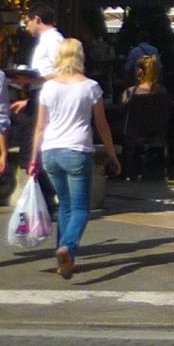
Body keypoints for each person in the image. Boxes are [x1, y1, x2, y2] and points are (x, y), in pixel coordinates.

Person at [27, 38, 120, 279]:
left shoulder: (48, 87)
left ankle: (65, 263)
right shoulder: (90, 87)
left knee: (65, 205)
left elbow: (40, 126)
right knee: (80, 207)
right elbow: (102, 125)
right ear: (81, 57)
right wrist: (112, 154)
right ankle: (67, 247)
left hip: (50, 151)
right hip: (77, 150)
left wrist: (33, 159)